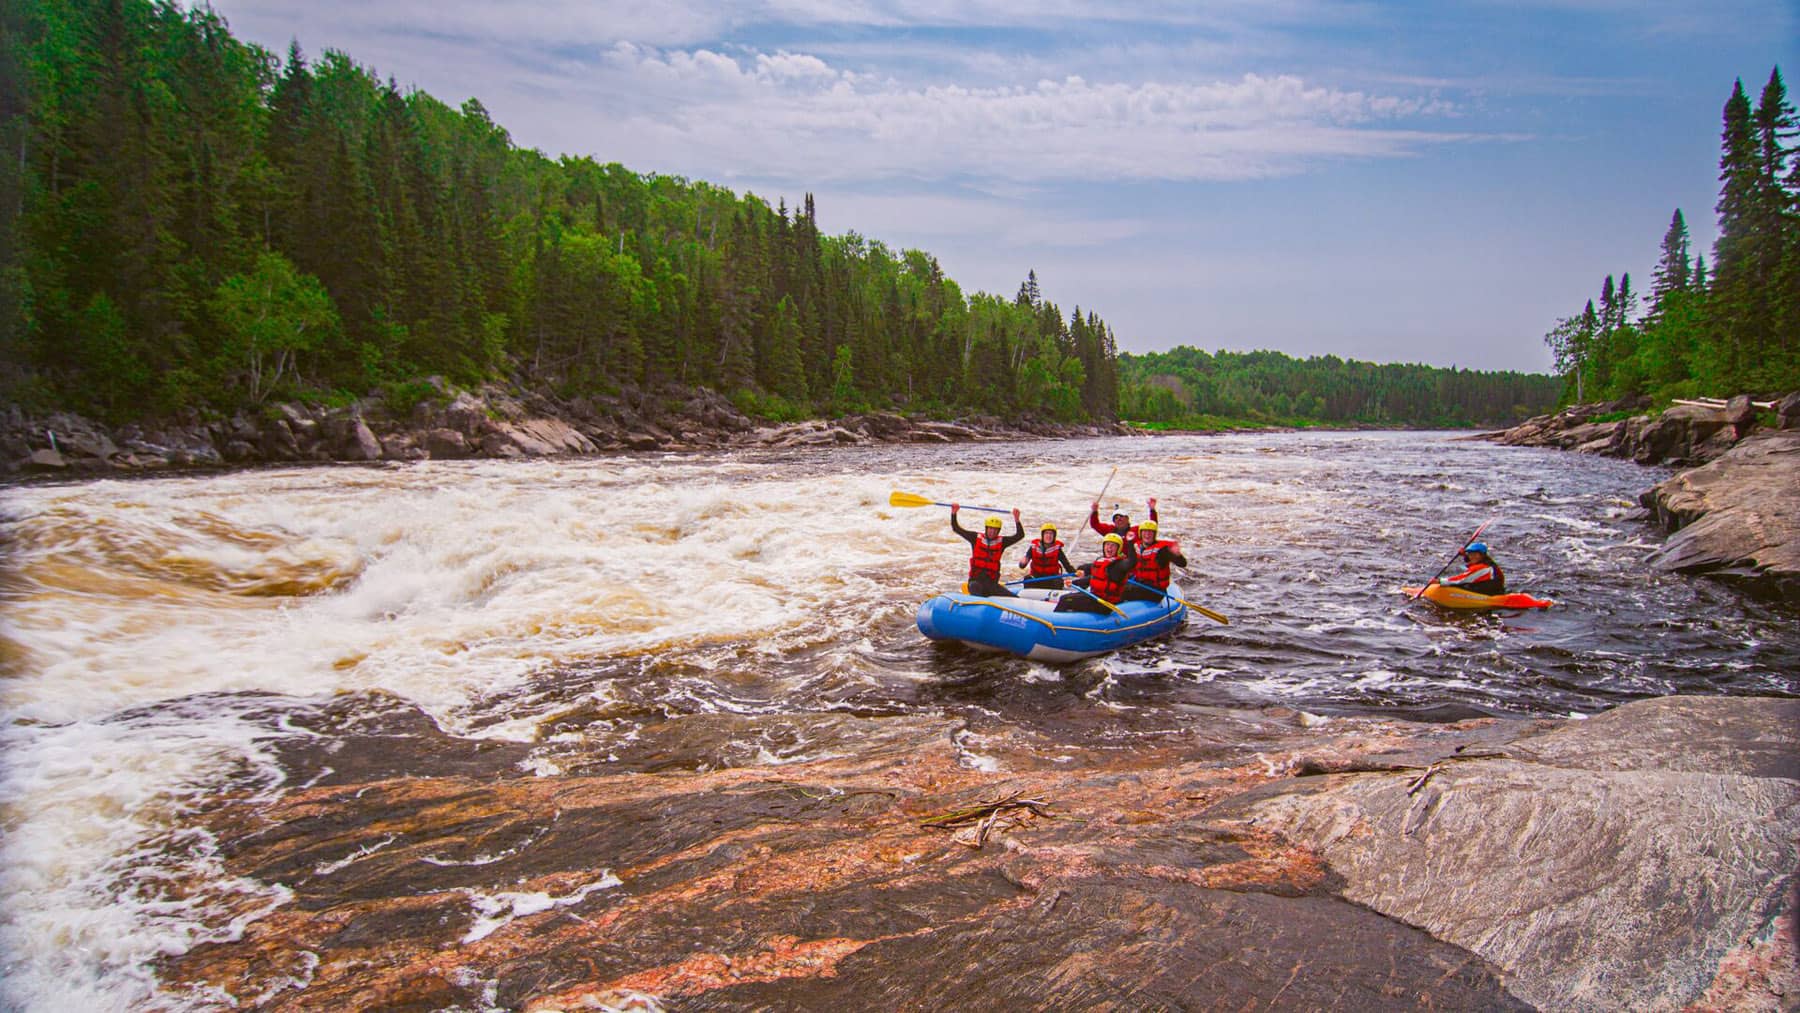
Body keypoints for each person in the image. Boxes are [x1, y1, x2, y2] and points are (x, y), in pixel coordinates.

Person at [951, 504, 1024, 597]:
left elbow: (1020, 535)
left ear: (998, 531)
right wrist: (954, 513)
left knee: (1015, 598)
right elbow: (956, 528)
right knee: (975, 587)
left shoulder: (1002, 542)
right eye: (990, 529)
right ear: (986, 528)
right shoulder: (975, 538)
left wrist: (1017, 519)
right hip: (975, 582)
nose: (992, 532)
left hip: (991, 585)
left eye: (995, 530)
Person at [1056, 533, 1138, 613]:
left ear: (1118, 548)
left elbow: (1132, 562)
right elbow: (1093, 578)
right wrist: (1074, 582)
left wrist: (1130, 543)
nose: (1109, 547)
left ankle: (1055, 623)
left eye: (1113, 545)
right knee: (1067, 597)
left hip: (1106, 604)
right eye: (1107, 544)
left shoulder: (1119, 565)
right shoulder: (1101, 561)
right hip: (1095, 598)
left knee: (1065, 600)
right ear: (1103, 546)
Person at [1121, 518, 1188, 602]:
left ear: (1154, 534)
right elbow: (1130, 563)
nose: (1147, 535)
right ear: (1140, 534)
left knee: (1122, 591)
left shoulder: (1162, 550)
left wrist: (1178, 555)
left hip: (1156, 590)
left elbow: (1182, 563)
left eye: (1150, 532)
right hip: (1140, 583)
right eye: (1145, 532)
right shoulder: (1136, 546)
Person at [1018, 522, 1074, 589]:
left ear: (1054, 536)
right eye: (1046, 533)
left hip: (1052, 578)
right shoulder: (1033, 547)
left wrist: (1076, 573)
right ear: (1042, 535)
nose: (1049, 536)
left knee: (1058, 581)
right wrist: (1022, 563)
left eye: (1051, 534)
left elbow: (1067, 566)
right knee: (1027, 578)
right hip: (1037, 578)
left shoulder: (1057, 549)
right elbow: (1022, 566)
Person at [1438, 541, 1505, 595]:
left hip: (1491, 591)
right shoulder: (1486, 561)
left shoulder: (1482, 567)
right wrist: (1464, 554)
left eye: (1475, 554)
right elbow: (1472, 559)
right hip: (1491, 586)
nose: (1472, 556)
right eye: (1470, 554)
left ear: (1482, 555)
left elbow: (1462, 579)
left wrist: (1440, 581)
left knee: (1460, 585)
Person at [1089, 497, 1158, 540]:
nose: (1119, 519)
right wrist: (1094, 511)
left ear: (1127, 519)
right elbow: (1095, 525)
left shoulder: (1136, 530)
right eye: (1116, 518)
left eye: (1121, 517)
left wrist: (1152, 509)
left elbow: (1152, 525)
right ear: (1114, 522)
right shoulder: (1109, 530)